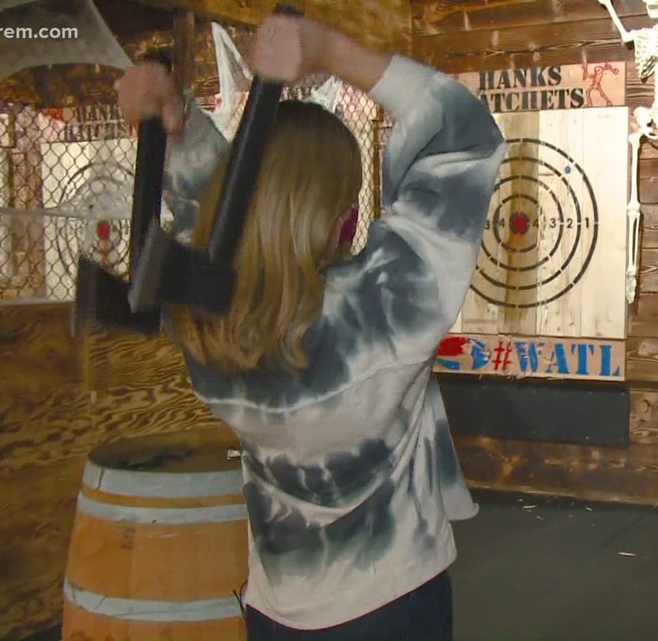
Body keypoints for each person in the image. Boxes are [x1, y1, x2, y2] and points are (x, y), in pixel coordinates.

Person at [115, 13, 506, 641]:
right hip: (390, 602)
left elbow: (210, 219)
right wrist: (332, 51)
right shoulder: (378, 315)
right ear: (341, 219)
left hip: (276, 607)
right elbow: (462, 136)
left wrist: (177, 125)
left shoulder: (199, 320)